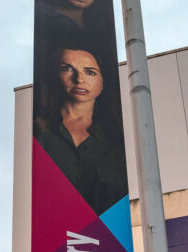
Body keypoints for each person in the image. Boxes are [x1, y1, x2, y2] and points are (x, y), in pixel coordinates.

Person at [34, 46, 127, 214]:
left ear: (102, 82)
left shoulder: (115, 139)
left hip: (103, 231)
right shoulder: (41, 133)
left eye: (90, 72)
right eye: (67, 69)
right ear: (54, 76)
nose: (79, 79)